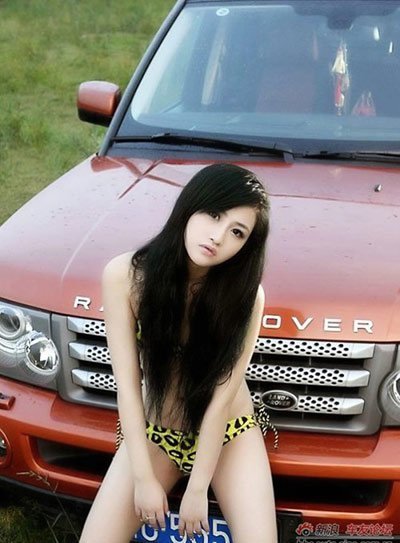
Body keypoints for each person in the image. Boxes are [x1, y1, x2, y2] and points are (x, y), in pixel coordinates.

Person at [79, 163, 277, 543]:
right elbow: (127, 386)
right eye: (213, 214)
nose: (218, 236)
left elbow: (221, 400)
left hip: (230, 433)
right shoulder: (125, 276)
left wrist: (198, 488)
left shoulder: (247, 298)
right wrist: (142, 478)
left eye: (237, 232)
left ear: (246, 245)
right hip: (156, 432)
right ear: (190, 205)